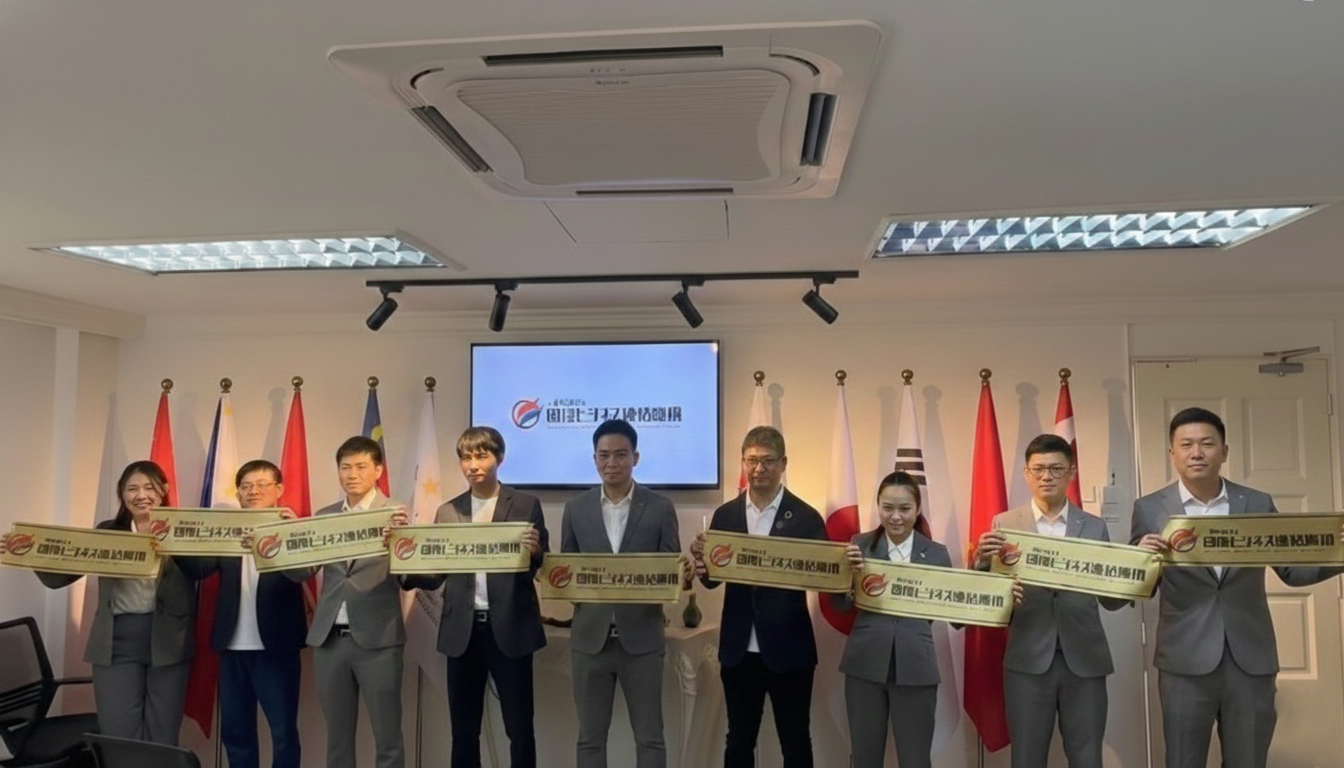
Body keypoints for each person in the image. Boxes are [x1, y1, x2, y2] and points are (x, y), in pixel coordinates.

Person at [1130, 407, 1344, 768]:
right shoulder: (1149, 508)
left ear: (1224, 451)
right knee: (1183, 760)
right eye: (1186, 445)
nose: (1197, 453)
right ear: (1172, 453)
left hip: (1250, 658)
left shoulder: (1257, 503)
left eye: (1207, 443)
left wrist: (1339, 555)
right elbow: (1141, 588)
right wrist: (1141, 559)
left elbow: (1291, 570)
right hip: (1184, 662)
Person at [975, 434, 1156, 768]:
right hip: (1028, 658)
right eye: (1039, 469)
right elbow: (989, 599)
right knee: (1027, 758)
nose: (1047, 476)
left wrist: (1140, 567)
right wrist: (981, 563)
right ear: (1027, 473)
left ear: (1071, 472)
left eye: (1056, 468)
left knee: (1087, 757)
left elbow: (1109, 598)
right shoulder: (1005, 524)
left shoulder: (1094, 527)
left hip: (1085, 658)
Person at [401, 427, 548, 768]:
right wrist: (404, 570)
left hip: (510, 628)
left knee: (520, 729)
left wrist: (535, 551)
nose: (472, 465)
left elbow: (539, 565)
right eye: (466, 458)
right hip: (462, 633)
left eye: (481, 456)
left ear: (500, 458)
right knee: (463, 732)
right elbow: (436, 574)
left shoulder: (525, 504)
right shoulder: (448, 511)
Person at [23, 461, 196, 744]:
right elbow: (60, 576)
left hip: (169, 643)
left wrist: (171, 539)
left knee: (163, 736)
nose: (141, 495)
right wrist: (28, 553)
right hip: (116, 643)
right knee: (119, 734)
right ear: (122, 494)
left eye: (149, 487)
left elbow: (203, 569)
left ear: (164, 490)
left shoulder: (184, 530)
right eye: (132, 488)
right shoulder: (108, 532)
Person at [689, 426, 826, 768]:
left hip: (790, 650)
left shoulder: (806, 518)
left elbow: (825, 576)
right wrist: (702, 565)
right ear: (743, 462)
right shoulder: (726, 515)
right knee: (738, 741)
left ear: (783, 463)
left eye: (768, 461)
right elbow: (712, 581)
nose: (759, 468)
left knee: (795, 742)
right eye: (751, 460)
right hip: (739, 650)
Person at [560, 419, 683, 768]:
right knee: (590, 739)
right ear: (594, 459)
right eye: (603, 456)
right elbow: (567, 571)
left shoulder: (659, 507)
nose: (611, 463)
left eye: (620, 455)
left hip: (642, 640)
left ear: (635, 458)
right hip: (590, 640)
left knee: (650, 738)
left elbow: (670, 570)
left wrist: (681, 575)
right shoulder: (576, 508)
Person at [291, 436, 412, 768]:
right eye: (345, 467)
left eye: (361, 467)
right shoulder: (325, 516)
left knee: (388, 736)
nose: (352, 474)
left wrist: (400, 543)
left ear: (378, 470)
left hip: (379, 640)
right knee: (337, 738)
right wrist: (276, 548)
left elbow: (409, 575)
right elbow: (304, 572)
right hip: (329, 639)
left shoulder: (396, 514)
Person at [177, 459, 307, 768]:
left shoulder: (294, 529)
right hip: (232, 647)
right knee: (236, 733)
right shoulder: (228, 531)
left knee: (283, 733)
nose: (253, 491)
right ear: (238, 494)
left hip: (276, 648)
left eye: (262, 485)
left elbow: (303, 574)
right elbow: (200, 569)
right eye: (246, 486)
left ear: (279, 489)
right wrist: (171, 542)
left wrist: (289, 535)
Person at [828, 471, 955, 768]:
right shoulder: (859, 545)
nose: (895, 516)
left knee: (915, 759)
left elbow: (953, 612)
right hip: (865, 664)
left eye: (904, 508)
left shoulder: (936, 554)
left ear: (918, 509)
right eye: (887, 508)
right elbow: (839, 606)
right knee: (865, 758)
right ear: (878, 506)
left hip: (916, 665)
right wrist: (846, 578)